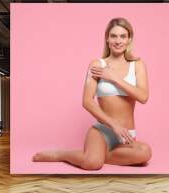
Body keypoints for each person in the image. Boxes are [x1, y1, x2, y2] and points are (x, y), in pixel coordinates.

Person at [32, 17, 152, 170]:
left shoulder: (138, 64)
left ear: (129, 39)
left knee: (145, 153)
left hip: (128, 134)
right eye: (113, 36)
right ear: (107, 39)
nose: (118, 40)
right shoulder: (97, 65)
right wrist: (114, 124)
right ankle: (61, 155)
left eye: (123, 36)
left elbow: (143, 96)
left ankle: (98, 154)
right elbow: (87, 101)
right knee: (92, 164)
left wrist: (114, 78)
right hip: (103, 132)